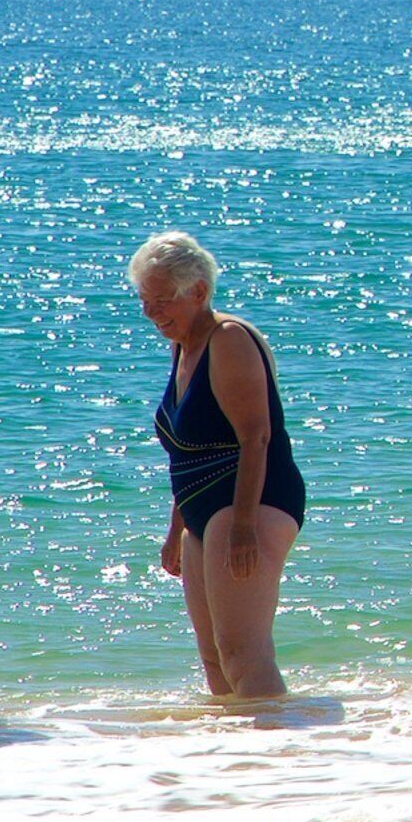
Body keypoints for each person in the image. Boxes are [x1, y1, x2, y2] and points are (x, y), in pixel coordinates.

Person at [132, 231, 306, 701]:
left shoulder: (228, 340)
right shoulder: (181, 346)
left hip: (252, 501)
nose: (153, 313)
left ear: (199, 292)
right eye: (145, 301)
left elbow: (257, 438)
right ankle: (233, 763)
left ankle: (281, 752)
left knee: (243, 653)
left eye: (163, 300)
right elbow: (186, 453)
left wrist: (245, 526)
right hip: (201, 508)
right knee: (213, 657)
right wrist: (177, 528)